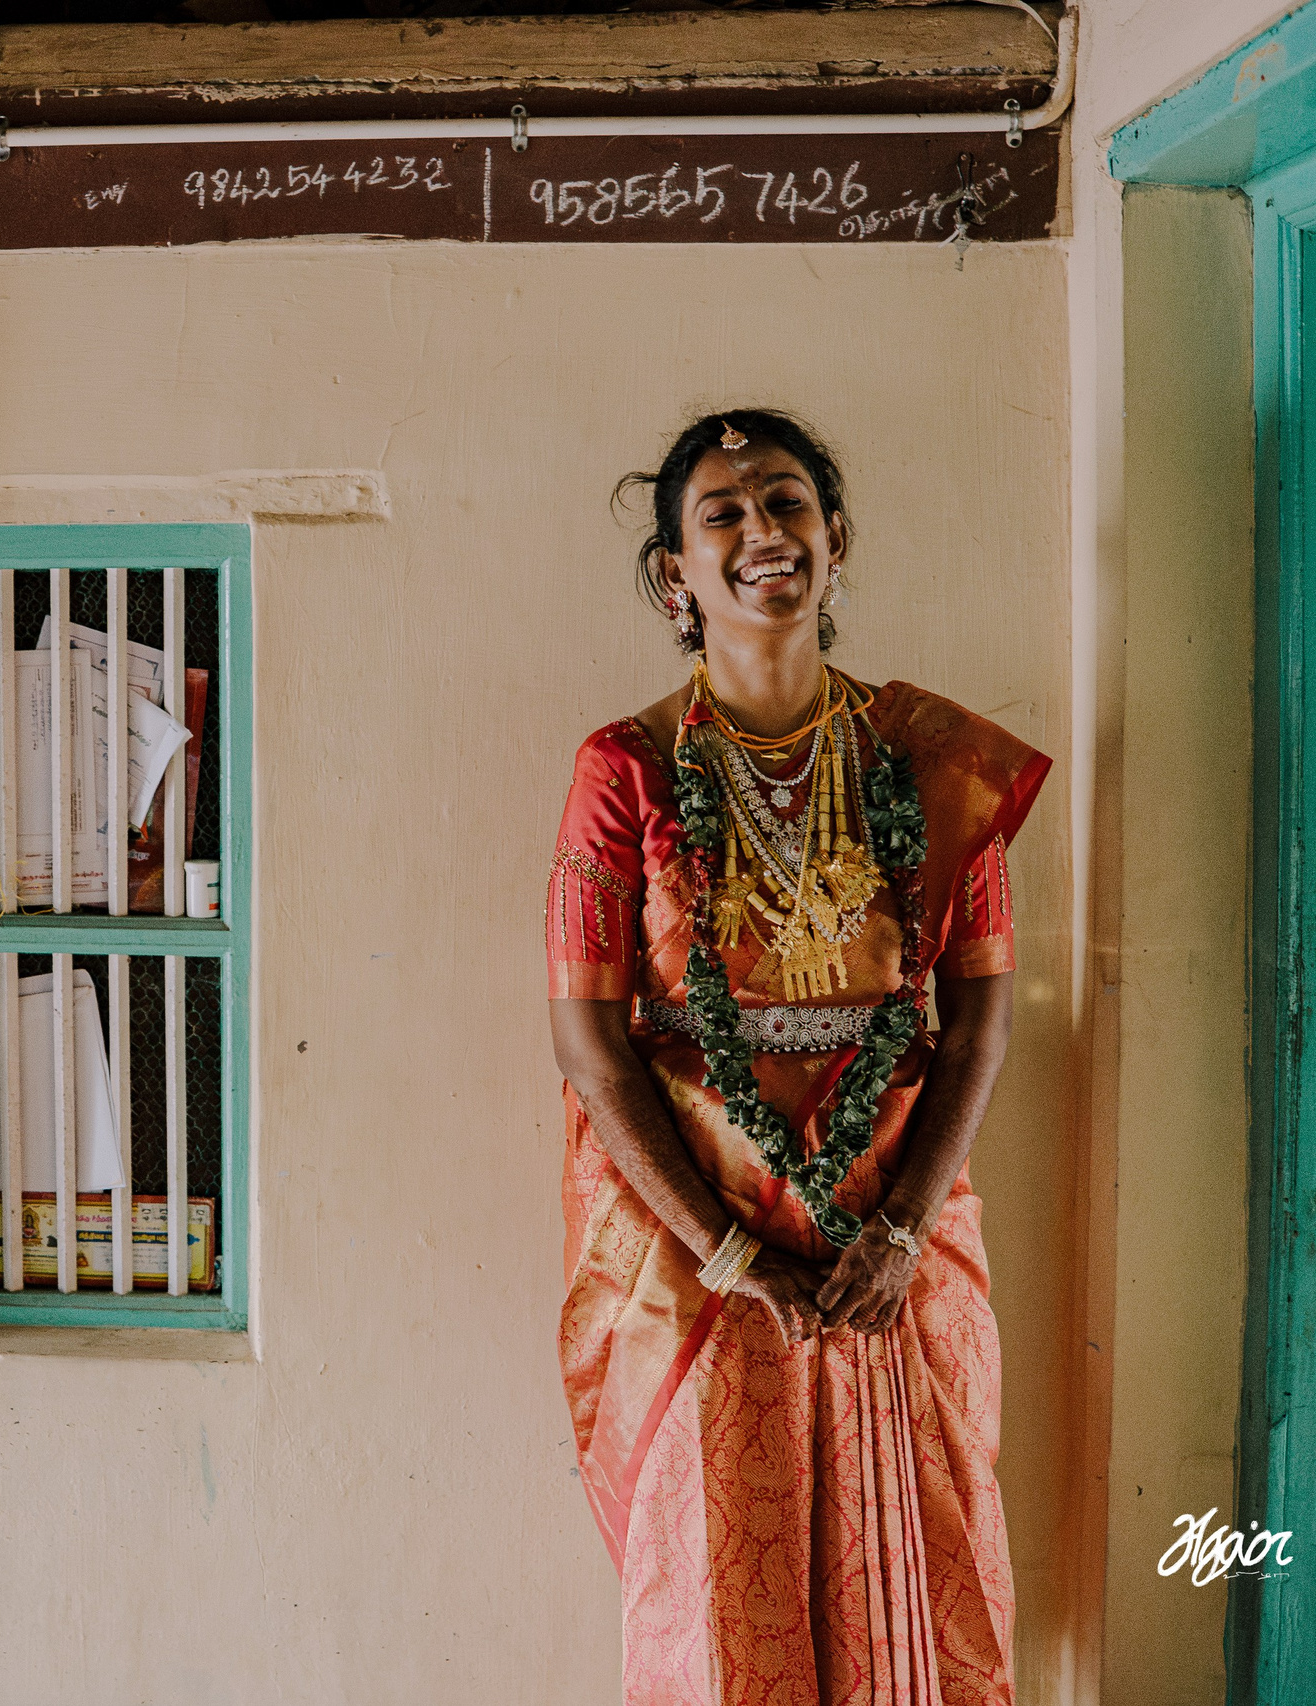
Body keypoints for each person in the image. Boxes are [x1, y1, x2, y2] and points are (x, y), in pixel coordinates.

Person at [547, 409, 1047, 1705]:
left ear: (837, 538)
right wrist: (727, 1248)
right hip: (695, 1244)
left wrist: (900, 1230)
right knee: (723, 1581)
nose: (763, 531)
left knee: (928, 1570)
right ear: (678, 575)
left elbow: (981, 1013)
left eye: (787, 503)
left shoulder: (932, 758)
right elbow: (591, 1045)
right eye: (725, 511)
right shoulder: (625, 772)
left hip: (899, 1224)